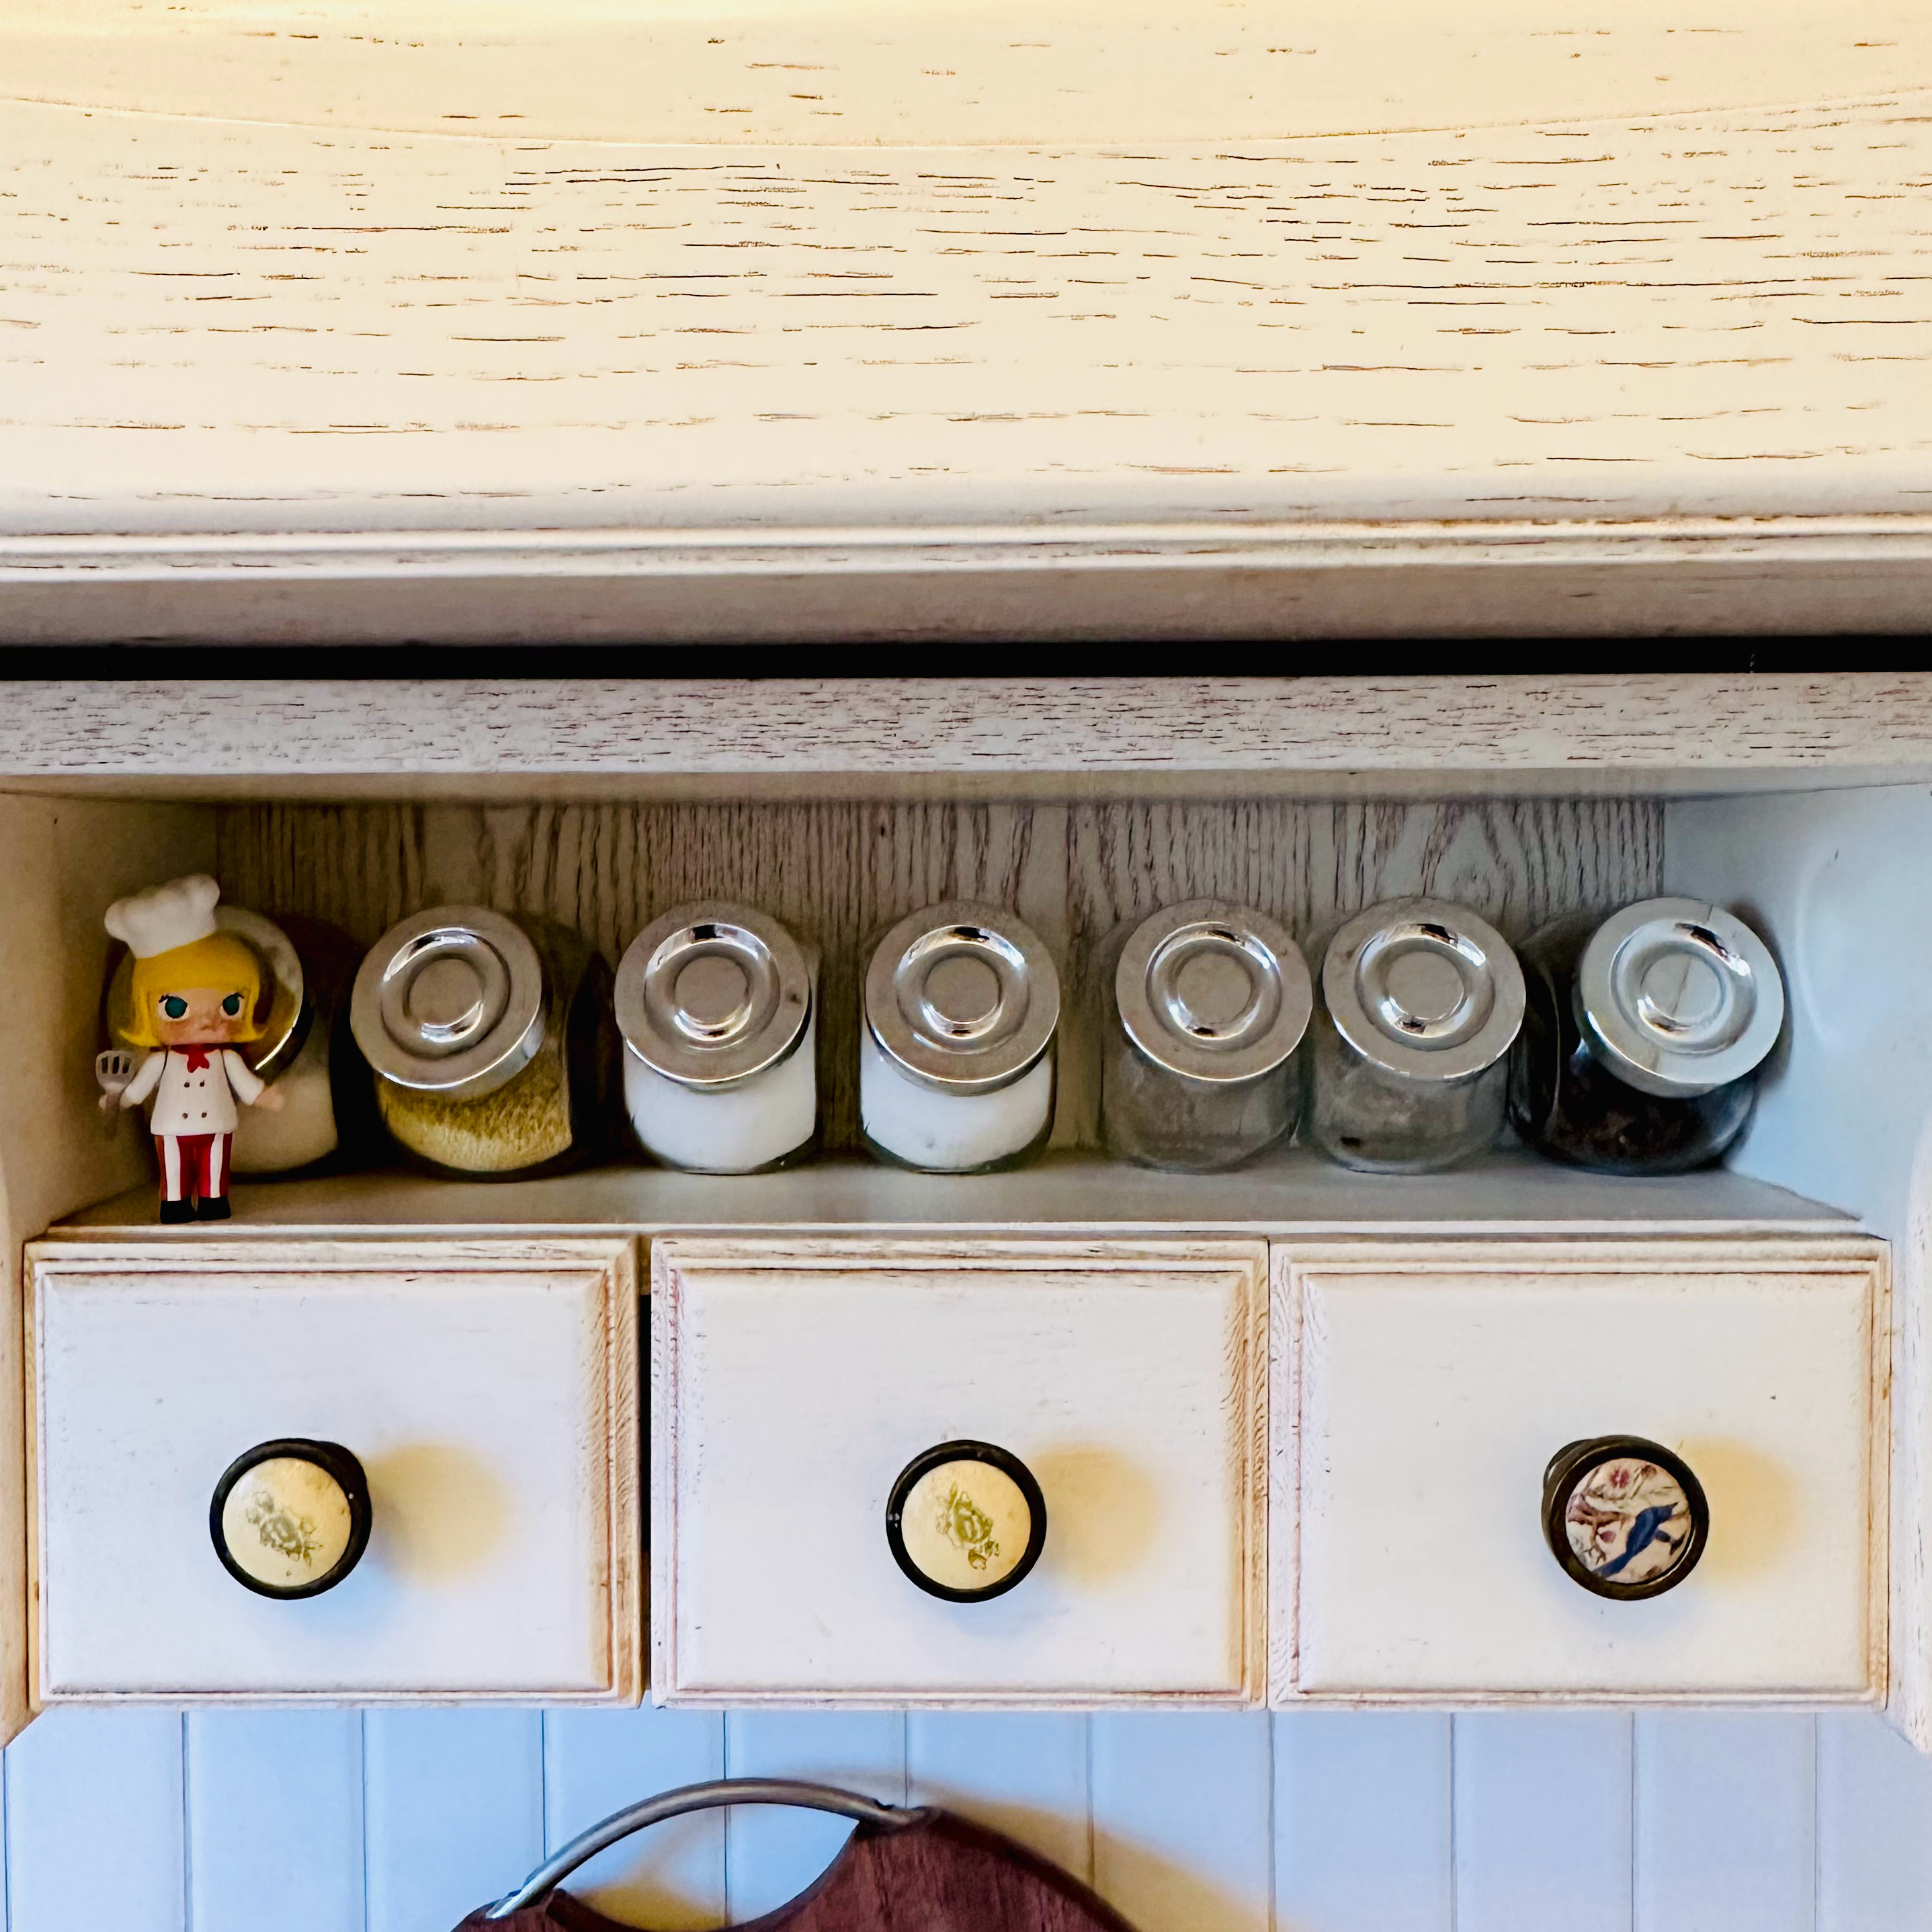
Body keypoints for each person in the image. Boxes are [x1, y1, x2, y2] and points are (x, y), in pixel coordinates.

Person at [97, 874, 285, 1222]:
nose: (208, 1023)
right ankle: (176, 1203)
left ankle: (214, 1201)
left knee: (215, 1163)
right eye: (176, 1009)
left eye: (230, 1005)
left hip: (216, 1123)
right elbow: (137, 1090)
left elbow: (245, 1085)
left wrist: (264, 1096)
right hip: (171, 1126)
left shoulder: (226, 1058)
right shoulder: (161, 1062)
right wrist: (117, 1098)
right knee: (173, 1166)